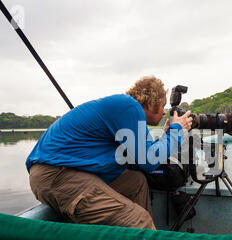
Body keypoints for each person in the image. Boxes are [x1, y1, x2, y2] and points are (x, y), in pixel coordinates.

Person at [26, 76, 192, 230]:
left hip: (72, 171)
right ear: (149, 103)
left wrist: (166, 137)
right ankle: (141, 235)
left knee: (136, 180)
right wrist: (177, 130)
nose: (164, 112)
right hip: (56, 174)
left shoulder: (126, 112)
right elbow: (147, 161)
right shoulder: (129, 106)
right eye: (162, 106)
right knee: (138, 220)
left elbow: (139, 160)